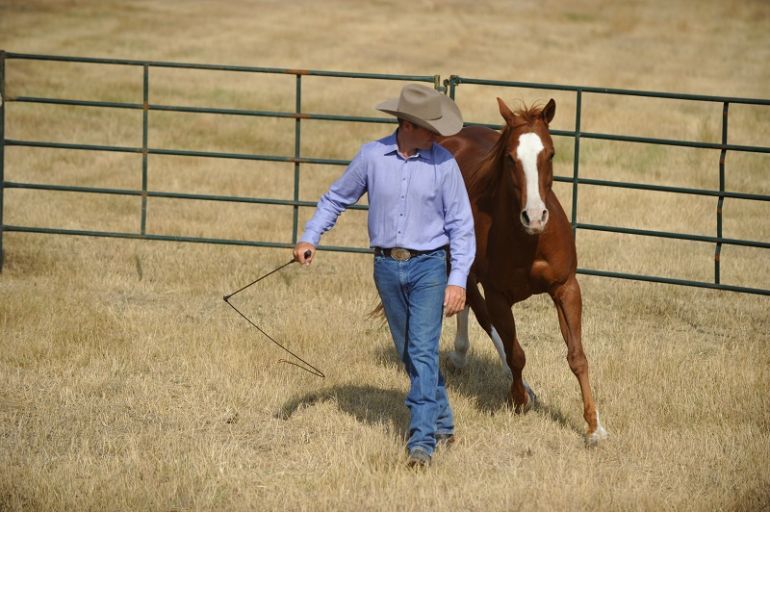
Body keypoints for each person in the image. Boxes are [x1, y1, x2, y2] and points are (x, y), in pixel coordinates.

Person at [293, 84, 476, 468]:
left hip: (429, 266)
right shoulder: (371, 157)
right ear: (408, 124)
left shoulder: (444, 165)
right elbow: (336, 198)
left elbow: (462, 227)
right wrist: (311, 236)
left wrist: (457, 279)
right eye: (431, 127)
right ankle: (442, 421)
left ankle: (421, 440)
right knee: (411, 353)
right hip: (386, 268)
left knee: (423, 351)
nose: (438, 135)